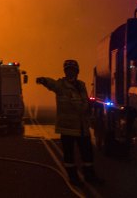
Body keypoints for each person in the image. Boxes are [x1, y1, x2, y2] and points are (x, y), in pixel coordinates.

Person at [36, 59, 102, 187]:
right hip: (68, 128)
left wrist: (90, 109)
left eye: (73, 70)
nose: (71, 72)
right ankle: (73, 177)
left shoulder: (81, 85)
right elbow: (52, 84)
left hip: (82, 127)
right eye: (68, 70)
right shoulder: (61, 85)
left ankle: (90, 176)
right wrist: (44, 80)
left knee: (87, 154)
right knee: (69, 156)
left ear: (77, 72)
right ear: (65, 72)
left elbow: (85, 102)